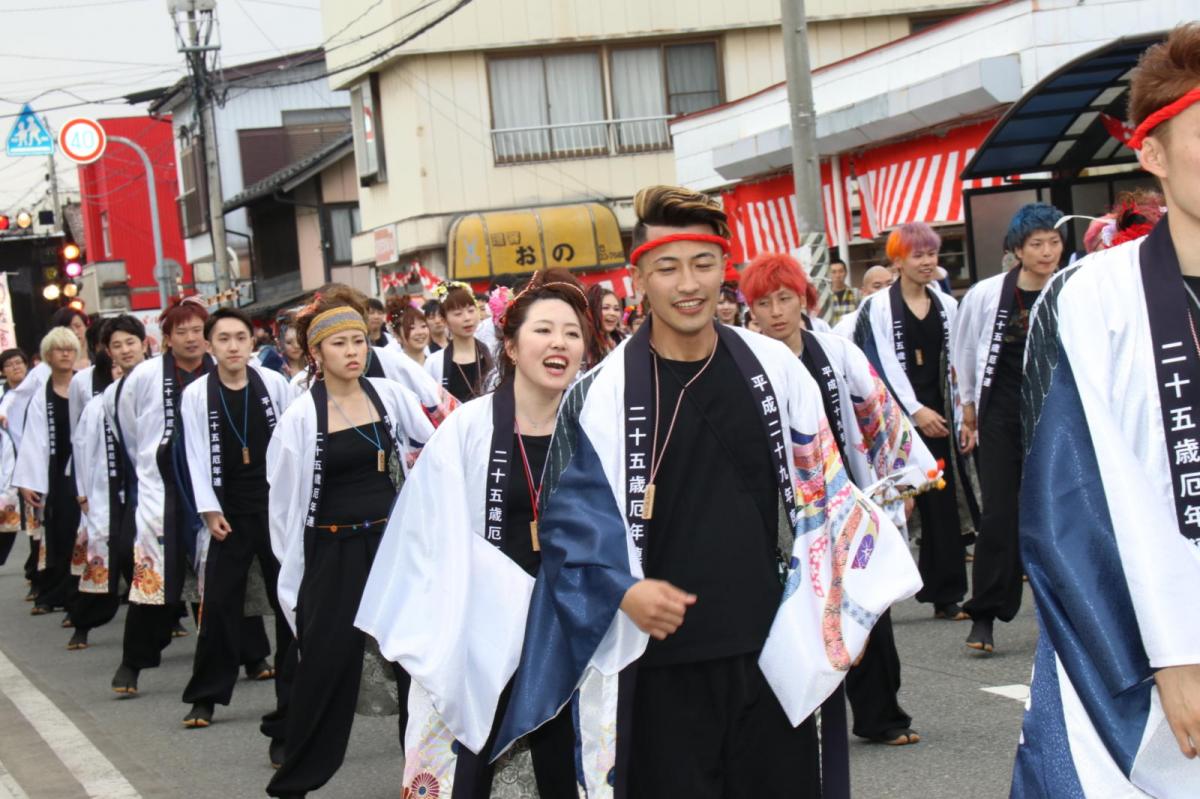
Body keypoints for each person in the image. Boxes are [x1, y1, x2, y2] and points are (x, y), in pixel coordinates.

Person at [494, 186, 920, 797]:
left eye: (703, 264)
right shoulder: (601, 393)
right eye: (667, 267)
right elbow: (566, 522)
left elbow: (825, 492)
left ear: (725, 269)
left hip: (775, 650)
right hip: (657, 661)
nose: (687, 283)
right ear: (638, 276)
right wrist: (624, 588)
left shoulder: (774, 367)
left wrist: (849, 602)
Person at [1012, 24, 1200, 796]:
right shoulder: (1094, 294)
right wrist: (1171, 649)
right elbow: (1073, 494)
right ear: (1152, 155)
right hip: (1128, 644)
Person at [358, 269, 588, 797]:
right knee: (473, 755)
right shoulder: (470, 426)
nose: (560, 343)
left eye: (572, 333)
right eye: (543, 330)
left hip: (570, 618)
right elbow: (422, 528)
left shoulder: (594, 424)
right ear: (508, 345)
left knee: (564, 758)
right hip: (484, 617)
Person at [744, 251, 941, 751]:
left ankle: (882, 715)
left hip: (845, 496)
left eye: (784, 298)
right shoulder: (743, 362)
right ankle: (795, 719)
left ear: (803, 298)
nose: (775, 312)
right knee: (793, 614)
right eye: (763, 303)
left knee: (867, 606)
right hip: (780, 509)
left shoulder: (835, 352)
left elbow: (879, 416)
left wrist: (901, 483)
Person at [265, 294, 434, 798]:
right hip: (333, 551)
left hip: (391, 543)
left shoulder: (388, 394)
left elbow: (436, 443)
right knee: (325, 663)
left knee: (414, 664)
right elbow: (286, 509)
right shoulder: (301, 416)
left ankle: (424, 776)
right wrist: (294, 572)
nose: (352, 351)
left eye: (359, 340)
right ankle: (296, 780)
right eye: (339, 343)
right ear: (316, 352)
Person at [854, 222, 979, 621]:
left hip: (940, 411)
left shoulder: (946, 304)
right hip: (896, 418)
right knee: (895, 502)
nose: (927, 263)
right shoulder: (877, 307)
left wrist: (960, 412)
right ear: (898, 261)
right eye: (918, 255)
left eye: (931, 254)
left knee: (941, 499)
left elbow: (960, 362)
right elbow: (880, 364)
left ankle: (947, 593)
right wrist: (912, 411)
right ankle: (878, 591)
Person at [953, 203, 1063, 654]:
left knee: (1057, 513)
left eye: (1054, 242)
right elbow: (963, 350)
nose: (1047, 251)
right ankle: (984, 614)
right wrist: (968, 409)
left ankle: (1066, 617)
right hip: (999, 410)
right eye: (1036, 244)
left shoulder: (1069, 289)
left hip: (1054, 408)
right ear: (1017, 249)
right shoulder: (986, 293)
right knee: (999, 512)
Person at [178, 308, 294, 728]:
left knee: (288, 603)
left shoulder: (275, 384)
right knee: (220, 603)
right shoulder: (196, 395)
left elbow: (294, 444)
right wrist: (209, 510)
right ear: (210, 346)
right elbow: (193, 456)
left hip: (274, 509)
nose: (232, 346)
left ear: (252, 342)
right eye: (223, 338)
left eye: (240, 337)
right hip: (228, 513)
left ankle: (294, 695)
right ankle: (205, 697)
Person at [110, 297, 214, 695]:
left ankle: (252, 654)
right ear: (166, 338)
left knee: (225, 574)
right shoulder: (144, 376)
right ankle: (132, 663)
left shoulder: (219, 369)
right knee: (153, 576)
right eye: (181, 331)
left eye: (197, 330)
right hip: (163, 484)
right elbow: (129, 429)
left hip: (211, 484)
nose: (191, 338)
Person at [68, 316, 147, 651]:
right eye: (117, 345)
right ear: (108, 354)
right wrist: (82, 491)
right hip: (111, 491)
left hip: (151, 489)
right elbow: (82, 448)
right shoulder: (101, 402)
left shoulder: (162, 385)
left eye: (131, 342)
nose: (125, 351)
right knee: (110, 555)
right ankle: (84, 622)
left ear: (145, 344)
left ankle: (169, 622)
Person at [13, 328, 81, 617]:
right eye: (58, 349)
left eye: (69, 348)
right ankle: (63, 592)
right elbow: (34, 439)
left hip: (88, 469)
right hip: (58, 473)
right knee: (63, 531)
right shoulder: (42, 396)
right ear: (47, 356)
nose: (65, 354)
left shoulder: (86, 385)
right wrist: (29, 481)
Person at [425, 282, 494, 403]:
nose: (467, 318)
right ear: (444, 320)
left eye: (471, 310)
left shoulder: (492, 352)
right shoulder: (434, 363)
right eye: (458, 314)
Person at [0, 349, 27, 567]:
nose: (16, 367)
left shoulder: (36, 393)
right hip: (7, 462)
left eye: (19, 362)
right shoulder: (4, 397)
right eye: (10, 364)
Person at [833, 266, 892, 339]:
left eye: (890, 284)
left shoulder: (903, 315)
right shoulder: (849, 325)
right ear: (864, 292)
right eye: (877, 286)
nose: (885, 290)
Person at [587, 283, 625, 365]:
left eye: (616, 309)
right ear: (592, 310)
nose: (612, 313)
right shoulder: (583, 344)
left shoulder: (621, 341)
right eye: (605, 308)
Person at [51, 306, 91, 371]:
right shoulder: (51, 367)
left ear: (86, 327)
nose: (75, 332)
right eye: (68, 328)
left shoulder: (97, 359)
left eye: (78, 326)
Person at [827, 258, 859, 326]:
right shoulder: (825, 297)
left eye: (841, 271)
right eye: (834, 272)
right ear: (829, 274)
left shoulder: (856, 294)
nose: (838, 275)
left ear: (846, 273)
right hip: (831, 335)